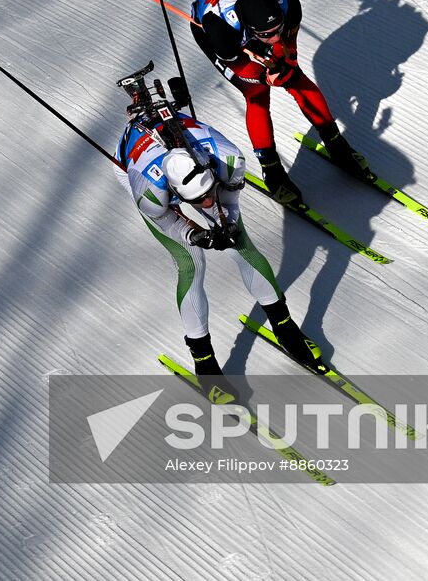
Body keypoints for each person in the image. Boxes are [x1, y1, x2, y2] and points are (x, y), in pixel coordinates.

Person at [114, 65, 323, 378]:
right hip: (132, 163)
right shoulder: (151, 193)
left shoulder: (227, 158)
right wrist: (195, 236)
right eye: (199, 201)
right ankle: (205, 365)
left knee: (239, 241)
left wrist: (224, 227)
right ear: (175, 191)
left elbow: (229, 203)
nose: (208, 203)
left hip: (191, 158)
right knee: (190, 263)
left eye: (209, 192)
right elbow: (169, 223)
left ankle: (285, 328)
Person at [185, 0, 371, 206]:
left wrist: (287, 61)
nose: (274, 37)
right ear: (251, 30)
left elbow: (287, 43)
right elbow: (242, 67)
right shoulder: (220, 30)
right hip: (212, 33)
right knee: (257, 95)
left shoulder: (288, 3)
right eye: (265, 34)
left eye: (277, 30)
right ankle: (272, 170)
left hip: (253, 23)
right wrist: (263, 76)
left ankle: (336, 144)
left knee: (294, 78)